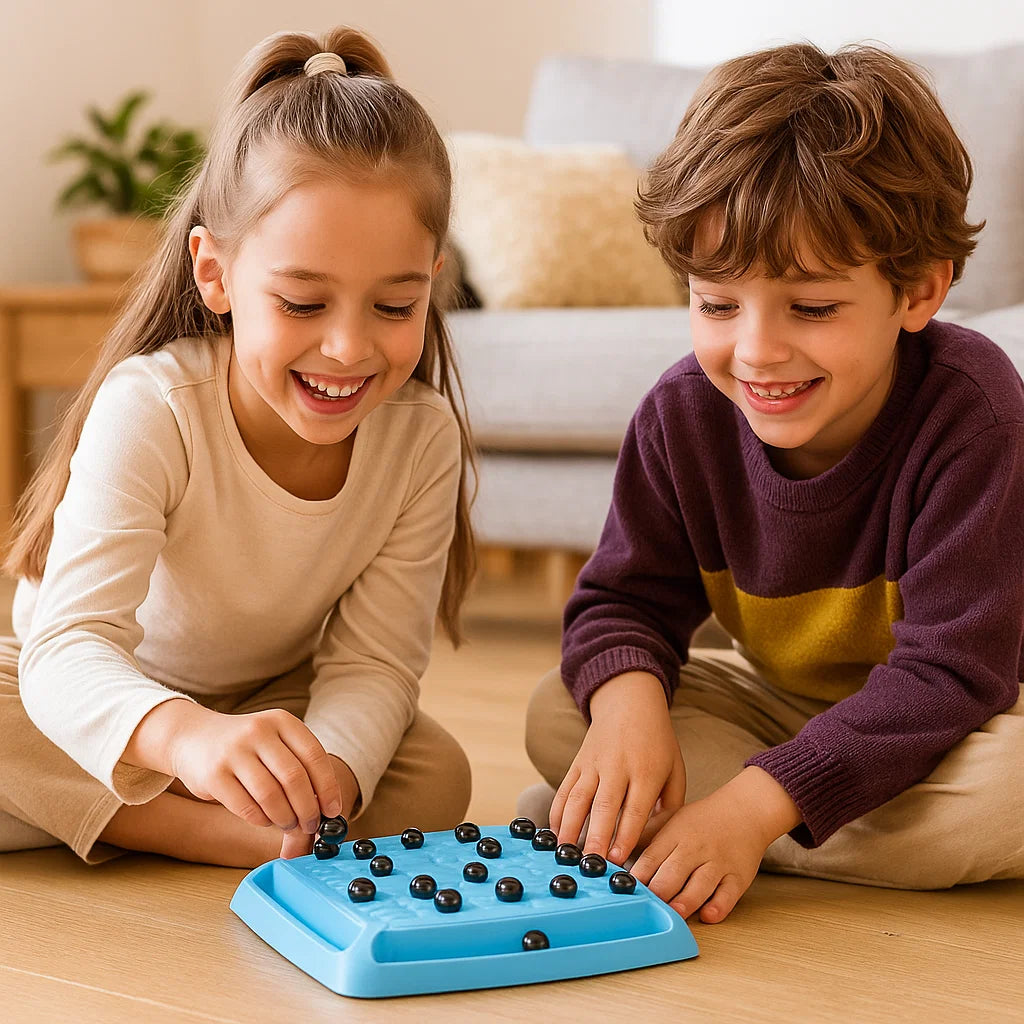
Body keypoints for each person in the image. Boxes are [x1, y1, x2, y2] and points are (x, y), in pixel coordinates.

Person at [522, 42, 1024, 924]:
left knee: (1009, 792)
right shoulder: (681, 416)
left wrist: (752, 809)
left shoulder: (973, 411)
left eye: (814, 308)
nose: (756, 351)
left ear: (919, 291)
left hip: (968, 719)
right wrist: (631, 714)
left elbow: (951, 674)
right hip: (785, 712)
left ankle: (706, 836)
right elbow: (620, 605)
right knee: (567, 716)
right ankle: (730, 830)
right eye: (718, 304)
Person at [0, 27, 476, 868]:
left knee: (435, 771)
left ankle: (94, 814)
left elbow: (372, 664)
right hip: (78, 677)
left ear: (432, 278)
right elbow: (69, 651)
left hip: (262, 697)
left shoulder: (420, 439)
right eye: (301, 303)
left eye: (394, 307)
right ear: (214, 274)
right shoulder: (155, 406)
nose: (347, 350)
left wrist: (324, 773)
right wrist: (182, 739)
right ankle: (195, 829)